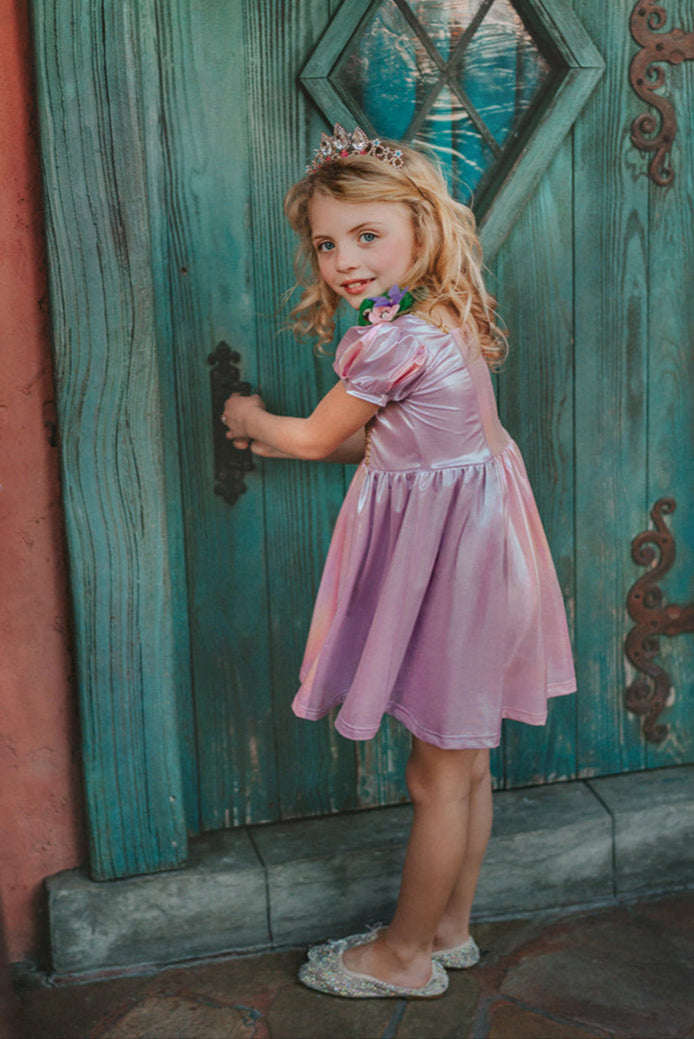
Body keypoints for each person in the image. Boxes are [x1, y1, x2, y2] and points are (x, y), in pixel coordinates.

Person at [222, 124, 576, 1000]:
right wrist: (297, 445)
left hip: (453, 576)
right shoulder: (439, 317)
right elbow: (395, 445)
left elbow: (314, 435)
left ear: (422, 228)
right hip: (485, 560)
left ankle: (404, 953)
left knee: (435, 775)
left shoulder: (393, 341)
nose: (345, 259)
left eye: (367, 235)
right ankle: (451, 928)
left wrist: (248, 417)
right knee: (463, 760)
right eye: (327, 243)